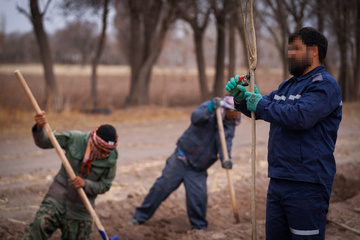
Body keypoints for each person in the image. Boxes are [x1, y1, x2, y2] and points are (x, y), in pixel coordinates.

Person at [226, 27, 342, 239]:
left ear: (314, 51)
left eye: (296, 49)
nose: (290, 54)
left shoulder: (325, 86)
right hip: (279, 181)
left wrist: (259, 103)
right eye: (289, 49)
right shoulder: (287, 86)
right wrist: (242, 99)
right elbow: (262, 107)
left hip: (307, 184)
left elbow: (299, 117)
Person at [128, 96, 241, 230]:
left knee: (198, 199)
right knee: (161, 187)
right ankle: (139, 217)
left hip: (198, 169)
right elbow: (195, 118)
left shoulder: (230, 126)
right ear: (225, 108)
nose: (234, 114)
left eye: (237, 112)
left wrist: (226, 160)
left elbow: (224, 145)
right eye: (232, 111)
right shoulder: (209, 108)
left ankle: (199, 230)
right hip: (181, 158)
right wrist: (210, 109)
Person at [23, 111, 118, 240]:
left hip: (82, 209)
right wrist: (39, 127)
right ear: (94, 139)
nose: (103, 154)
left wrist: (86, 184)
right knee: (37, 228)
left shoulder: (111, 159)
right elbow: (45, 142)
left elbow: (105, 185)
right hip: (58, 197)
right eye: (100, 149)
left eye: (106, 152)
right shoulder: (75, 139)